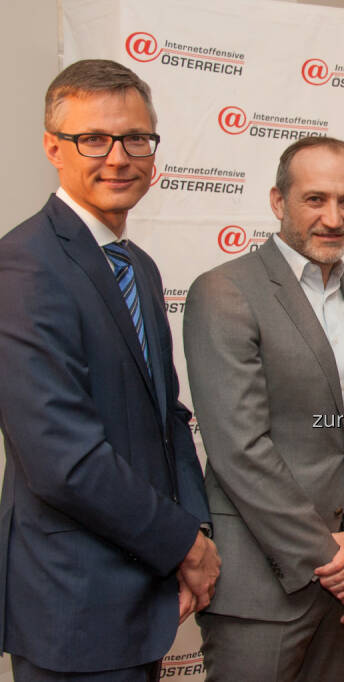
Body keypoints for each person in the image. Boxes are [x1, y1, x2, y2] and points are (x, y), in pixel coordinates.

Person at [0, 59, 220, 681]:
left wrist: (194, 530)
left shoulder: (136, 265)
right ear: (53, 147)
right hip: (73, 602)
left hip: (143, 590)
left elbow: (167, 416)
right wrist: (184, 545)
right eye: (93, 139)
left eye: (136, 139)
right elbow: (61, 460)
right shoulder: (24, 266)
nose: (118, 157)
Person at [183, 136, 344, 682]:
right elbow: (239, 449)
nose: (334, 217)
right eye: (315, 199)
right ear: (278, 202)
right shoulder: (225, 292)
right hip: (263, 586)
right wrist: (329, 558)